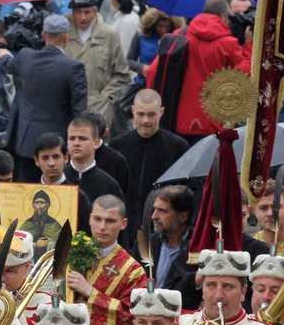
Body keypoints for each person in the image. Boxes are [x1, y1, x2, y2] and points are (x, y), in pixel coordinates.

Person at [144, 0, 250, 141]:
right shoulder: (228, 44)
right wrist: (249, 46)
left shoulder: (179, 35)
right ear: (224, 16)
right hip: (211, 124)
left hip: (176, 121)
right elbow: (245, 75)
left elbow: (152, 72)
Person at [0, 14, 89, 182]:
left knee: (25, 195)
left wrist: (2, 55)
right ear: (67, 36)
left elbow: (7, 64)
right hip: (56, 150)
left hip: (25, 145)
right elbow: (80, 113)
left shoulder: (26, 57)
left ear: (43, 35)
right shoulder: (74, 68)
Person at [67, 195, 149, 325]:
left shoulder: (133, 272)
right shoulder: (69, 254)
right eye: (97, 219)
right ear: (89, 219)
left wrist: (90, 292)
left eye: (110, 221)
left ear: (123, 223)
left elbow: (129, 322)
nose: (102, 227)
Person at [110, 88, 190, 232]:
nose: (145, 120)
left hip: (165, 226)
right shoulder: (118, 145)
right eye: (141, 114)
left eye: (151, 115)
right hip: (125, 223)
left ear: (161, 112)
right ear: (133, 111)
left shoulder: (178, 146)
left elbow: (184, 190)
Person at [63, 0, 133, 130]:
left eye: (87, 12)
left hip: (99, 105)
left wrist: (105, 97)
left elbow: (123, 74)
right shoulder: (64, 34)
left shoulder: (109, 35)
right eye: (78, 12)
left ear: (95, 12)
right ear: (72, 14)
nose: (82, 17)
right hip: (68, 104)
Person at [147, 185, 199, 305]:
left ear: (182, 216)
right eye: (154, 209)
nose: (154, 216)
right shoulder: (146, 243)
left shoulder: (199, 247)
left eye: (162, 211)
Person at [65, 115, 123, 205]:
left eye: (82, 138)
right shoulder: (58, 179)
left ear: (95, 143)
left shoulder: (109, 184)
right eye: (72, 138)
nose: (76, 143)